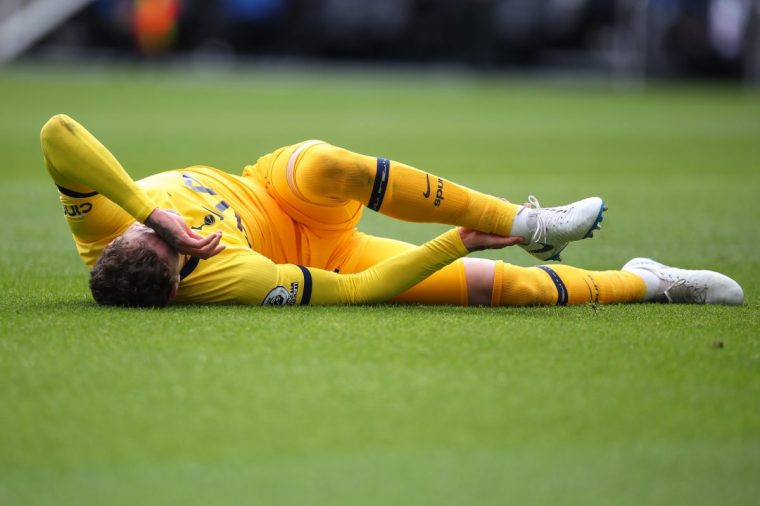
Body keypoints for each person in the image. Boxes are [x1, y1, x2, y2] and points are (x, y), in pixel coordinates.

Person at [40, 114, 743, 308]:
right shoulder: (227, 280)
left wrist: (148, 211)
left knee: (325, 163)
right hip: (325, 254)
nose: (185, 239)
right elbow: (352, 290)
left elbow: (58, 134)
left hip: (277, 189)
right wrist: (455, 244)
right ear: (179, 283)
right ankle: (654, 281)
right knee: (508, 290)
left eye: (158, 234)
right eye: (180, 258)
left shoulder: (104, 226)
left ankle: (528, 223)